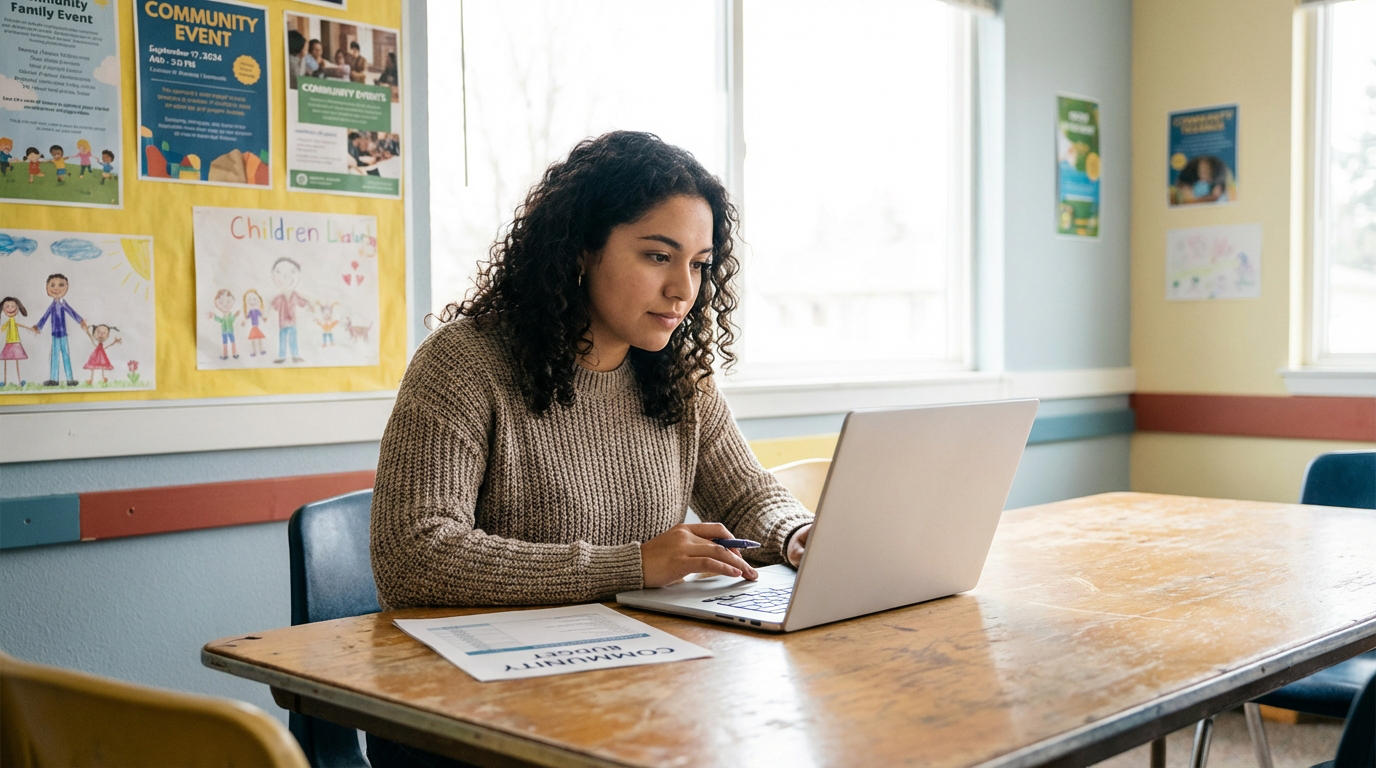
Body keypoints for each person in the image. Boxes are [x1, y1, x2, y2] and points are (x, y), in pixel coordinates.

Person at [368, 129, 815, 767]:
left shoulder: (678, 374)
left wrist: (797, 533)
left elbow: (747, 493)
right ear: (581, 248)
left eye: (699, 263)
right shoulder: (465, 363)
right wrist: (631, 565)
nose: (684, 291)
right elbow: (413, 557)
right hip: (473, 714)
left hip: (634, 695)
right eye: (658, 257)